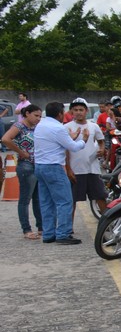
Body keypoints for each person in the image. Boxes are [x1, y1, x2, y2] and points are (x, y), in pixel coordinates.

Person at [34, 102, 87, 244]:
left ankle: (48, 234)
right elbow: (74, 147)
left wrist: (71, 137)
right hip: (54, 166)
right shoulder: (58, 128)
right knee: (65, 201)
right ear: (59, 114)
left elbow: (57, 142)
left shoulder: (41, 125)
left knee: (46, 202)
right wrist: (84, 140)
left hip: (40, 166)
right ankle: (63, 234)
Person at [2, 104, 43, 239]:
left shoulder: (37, 127)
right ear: (27, 114)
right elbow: (5, 139)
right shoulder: (19, 126)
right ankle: (26, 229)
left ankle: (41, 227)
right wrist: (20, 151)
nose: (38, 118)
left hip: (38, 164)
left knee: (38, 198)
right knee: (25, 199)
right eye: (36, 115)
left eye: (40, 116)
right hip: (26, 165)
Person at [65, 97, 107, 218]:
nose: (78, 112)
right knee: (71, 201)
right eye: (76, 110)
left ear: (86, 111)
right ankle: (68, 230)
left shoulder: (94, 126)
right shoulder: (66, 127)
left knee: (100, 197)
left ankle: (107, 224)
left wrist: (102, 149)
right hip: (75, 170)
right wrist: (68, 169)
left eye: (81, 109)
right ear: (72, 111)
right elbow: (65, 151)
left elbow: (101, 141)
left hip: (93, 169)